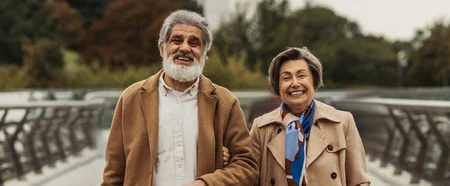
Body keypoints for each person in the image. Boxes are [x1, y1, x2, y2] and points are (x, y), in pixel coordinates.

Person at [101, 10, 258, 186]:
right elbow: (114, 173)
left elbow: (247, 166)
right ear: (162, 49)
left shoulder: (226, 102)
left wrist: (206, 184)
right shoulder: (131, 99)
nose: (184, 48)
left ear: (204, 54)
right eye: (176, 40)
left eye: (194, 43)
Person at [249, 47, 370, 185]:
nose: (295, 83)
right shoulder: (261, 128)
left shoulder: (342, 122)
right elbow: (246, 177)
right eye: (286, 78)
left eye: (301, 76)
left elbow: (359, 181)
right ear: (278, 86)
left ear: (314, 80)